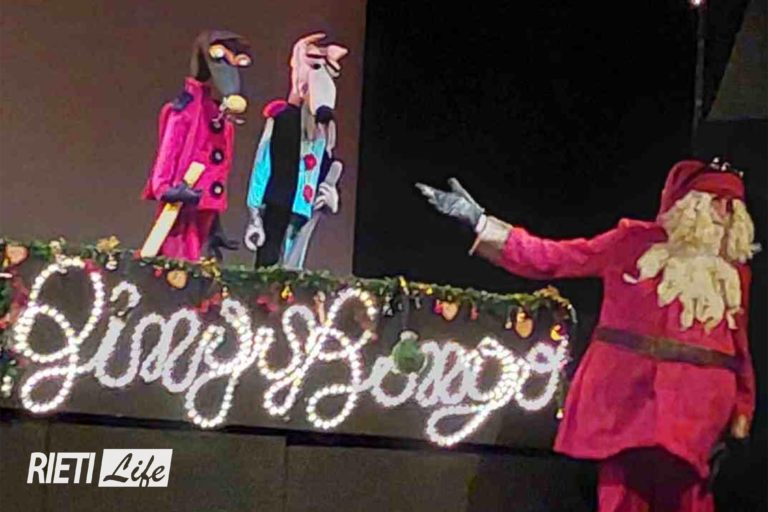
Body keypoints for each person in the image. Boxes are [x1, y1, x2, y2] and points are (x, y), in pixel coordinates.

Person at [416, 159, 757, 511]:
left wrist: (742, 410)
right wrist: (481, 223)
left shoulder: (733, 275)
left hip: (698, 418)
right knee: (623, 499)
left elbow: (739, 349)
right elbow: (555, 257)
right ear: (689, 205)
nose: (724, 212)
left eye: (732, 205)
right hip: (629, 405)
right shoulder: (634, 242)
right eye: (715, 200)